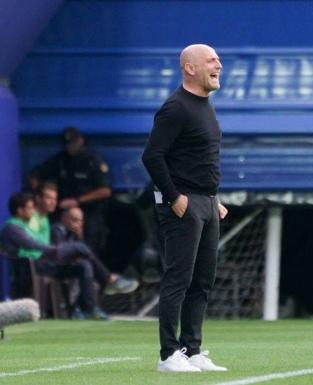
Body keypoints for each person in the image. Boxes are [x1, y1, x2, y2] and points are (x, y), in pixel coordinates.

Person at [142, 44, 228, 373]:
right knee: (179, 277)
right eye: (211, 60)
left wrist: (214, 198)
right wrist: (175, 197)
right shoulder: (175, 108)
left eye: (218, 60)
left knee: (202, 281)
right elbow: (152, 156)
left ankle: (192, 350)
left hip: (206, 202)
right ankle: (168, 354)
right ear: (189, 68)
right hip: (183, 203)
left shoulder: (205, 106)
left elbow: (202, 158)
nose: (219, 64)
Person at [0, 192, 104, 319]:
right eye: (30, 208)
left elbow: (38, 244)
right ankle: (108, 277)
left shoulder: (26, 226)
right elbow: (34, 245)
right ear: (20, 211)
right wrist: (55, 250)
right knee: (79, 247)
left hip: (45, 262)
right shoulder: (12, 228)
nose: (33, 211)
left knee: (84, 265)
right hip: (33, 266)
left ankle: (88, 309)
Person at [31, 126, 112, 260]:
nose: (70, 147)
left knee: (89, 251)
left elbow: (105, 191)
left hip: (88, 213)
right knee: (59, 246)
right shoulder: (60, 159)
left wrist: (78, 201)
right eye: (67, 144)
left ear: (80, 141)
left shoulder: (92, 160)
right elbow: (36, 174)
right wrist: (38, 197)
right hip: (63, 213)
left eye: (73, 143)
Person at [51, 206, 139, 297]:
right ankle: (109, 279)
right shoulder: (57, 229)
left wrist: (79, 234)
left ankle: (106, 282)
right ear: (64, 218)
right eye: (74, 220)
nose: (78, 224)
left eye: (80, 221)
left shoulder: (71, 232)